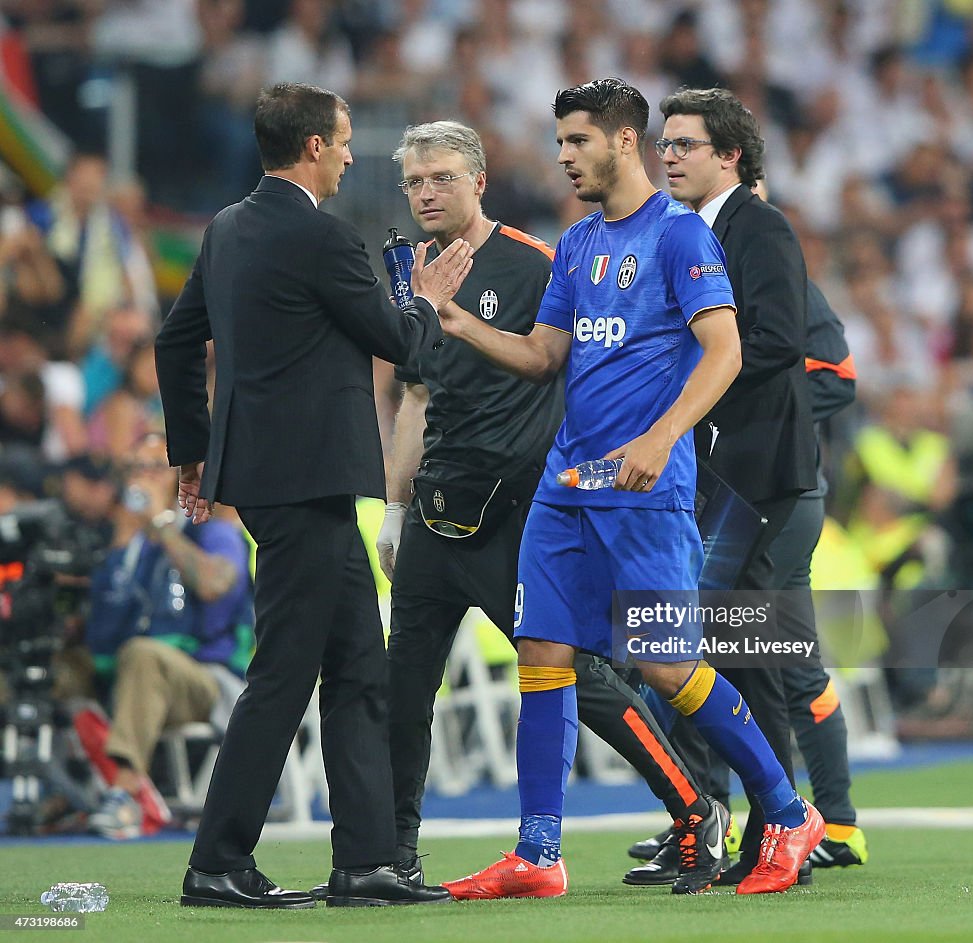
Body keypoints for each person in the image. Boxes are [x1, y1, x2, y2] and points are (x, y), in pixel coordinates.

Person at [322, 120, 736, 894]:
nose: (426, 193)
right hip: (438, 508)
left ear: (479, 181)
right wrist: (395, 507)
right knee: (402, 687)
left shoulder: (538, 263)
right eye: (414, 181)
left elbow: (574, 370)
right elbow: (415, 393)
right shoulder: (410, 275)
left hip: (518, 507)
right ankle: (392, 856)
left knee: (582, 675)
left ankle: (693, 804)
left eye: (442, 177)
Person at [437, 78, 824, 900]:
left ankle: (790, 811)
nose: (564, 157)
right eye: (560, 143)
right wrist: (460, 323)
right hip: (566, 486)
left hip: (645, 487)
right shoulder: (576, 244)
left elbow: (724, 351)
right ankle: (538, 853)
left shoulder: (682, 237)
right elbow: (547, 355)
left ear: (622, 140)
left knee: (664, 661)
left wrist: (661, 436)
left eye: (578, 141)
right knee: (542, 653)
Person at [154, 82, 473, 909]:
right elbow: (399, 338)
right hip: (311, 482)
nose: (350, 155)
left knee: (357, 664)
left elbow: (177, 338)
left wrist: (192, 449)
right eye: (341, 141)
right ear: (313, 150)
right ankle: (217, 861)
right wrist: (431, 302)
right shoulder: (323, 239)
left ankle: (365, 860)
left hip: (275, 481)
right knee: (285, 671)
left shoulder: (226, 229)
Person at [625, 280, 869, 881]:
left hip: (772, 494)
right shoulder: (699, 263)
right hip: (739, 492)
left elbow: (837, 376)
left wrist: (740, 413)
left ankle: (721, 819)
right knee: (768, 654)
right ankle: (823, 823)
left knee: (709, 645)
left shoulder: (771, 269)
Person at [654, 85, 820, 885]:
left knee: (743, 650)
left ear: (731, 156)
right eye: (666, 142)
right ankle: (747, 818)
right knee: (719, 646)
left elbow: (780, 341)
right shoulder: (682, 233)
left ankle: (779, 823)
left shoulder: (760, 227)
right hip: (715, 470)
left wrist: (686, 396)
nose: (668, 154)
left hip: (754, 472)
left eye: (685, 143)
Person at [84, 432, 253, 839]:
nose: (142, 479)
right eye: (134, 469)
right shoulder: (128, 549)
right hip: (143, 680)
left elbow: (214, 584)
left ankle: (125, 795)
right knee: (64, 667)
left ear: (180, 477)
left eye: (154, 468)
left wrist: (162, 528)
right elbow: (104, 635)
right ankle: (69, 790)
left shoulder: (211, 530)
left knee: (144, 655)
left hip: (208, 680)